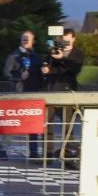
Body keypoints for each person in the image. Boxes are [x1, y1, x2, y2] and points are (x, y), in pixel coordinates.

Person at [42, 29, 85, 163]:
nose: (65, 42)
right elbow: (49, 64)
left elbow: (74, 69)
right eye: (63, 39)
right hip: (52, 91)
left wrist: (63, 59)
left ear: (73, 39)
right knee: (47, 124)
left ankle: (68, 155)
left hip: (67, 92)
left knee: (68, 126)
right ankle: (47, 155)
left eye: (67, 39)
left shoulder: (78, 53)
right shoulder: (56, 50)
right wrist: (46, 67)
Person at [1, 30, 44, 158]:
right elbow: (6, 73)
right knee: (14, 121)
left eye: (28, 39)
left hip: (33, 93)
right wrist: (19, 76)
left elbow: (40, 74)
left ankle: (34, 151)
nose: (25, 41)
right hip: (18, 93)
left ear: (33, 41)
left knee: (33, 123)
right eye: (23, 39)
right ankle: (3, 149)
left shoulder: (36, 56)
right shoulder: (13, 55)